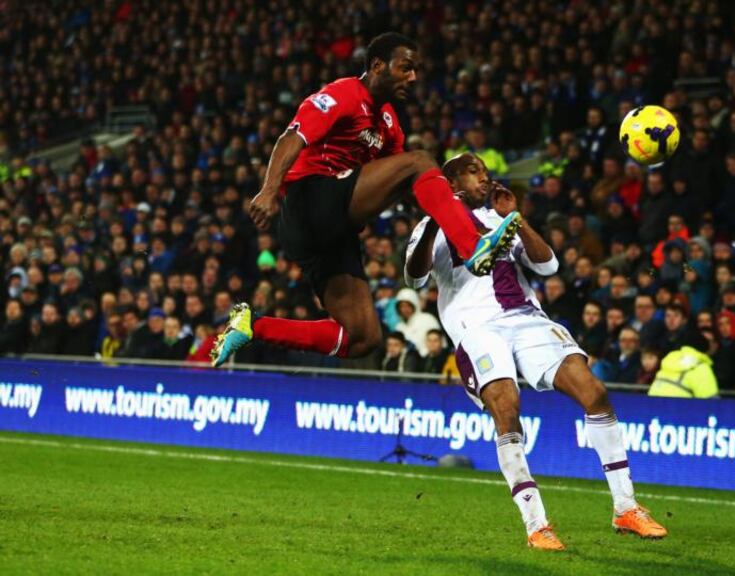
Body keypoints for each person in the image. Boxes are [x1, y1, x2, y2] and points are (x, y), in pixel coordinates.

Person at [404, 153, 665, 550]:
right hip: (477, 328)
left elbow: (549, 266)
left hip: (527, 319)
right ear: (452, 182)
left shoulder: (502, 220)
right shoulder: (431, 227)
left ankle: (626, 507)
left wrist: (518, 218)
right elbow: (416, 277)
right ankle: (536, 524)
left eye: (486, 173)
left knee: (593, 392)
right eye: (475, 173)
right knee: (507, 407)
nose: (485, 179)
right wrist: (434, 219)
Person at [211, 32, 521, 367]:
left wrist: (454, 200)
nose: (413, 77)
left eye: (415, 70)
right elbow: (293, 136)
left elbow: (407, 183)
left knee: (362, 338)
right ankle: (471, 246)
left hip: (332, 231)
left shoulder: (390, 124)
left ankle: (253, 326)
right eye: (405, 68)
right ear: (377, 65)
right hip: (309, 200)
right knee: (419, 160)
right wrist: (270, 189)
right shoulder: (342, 93)